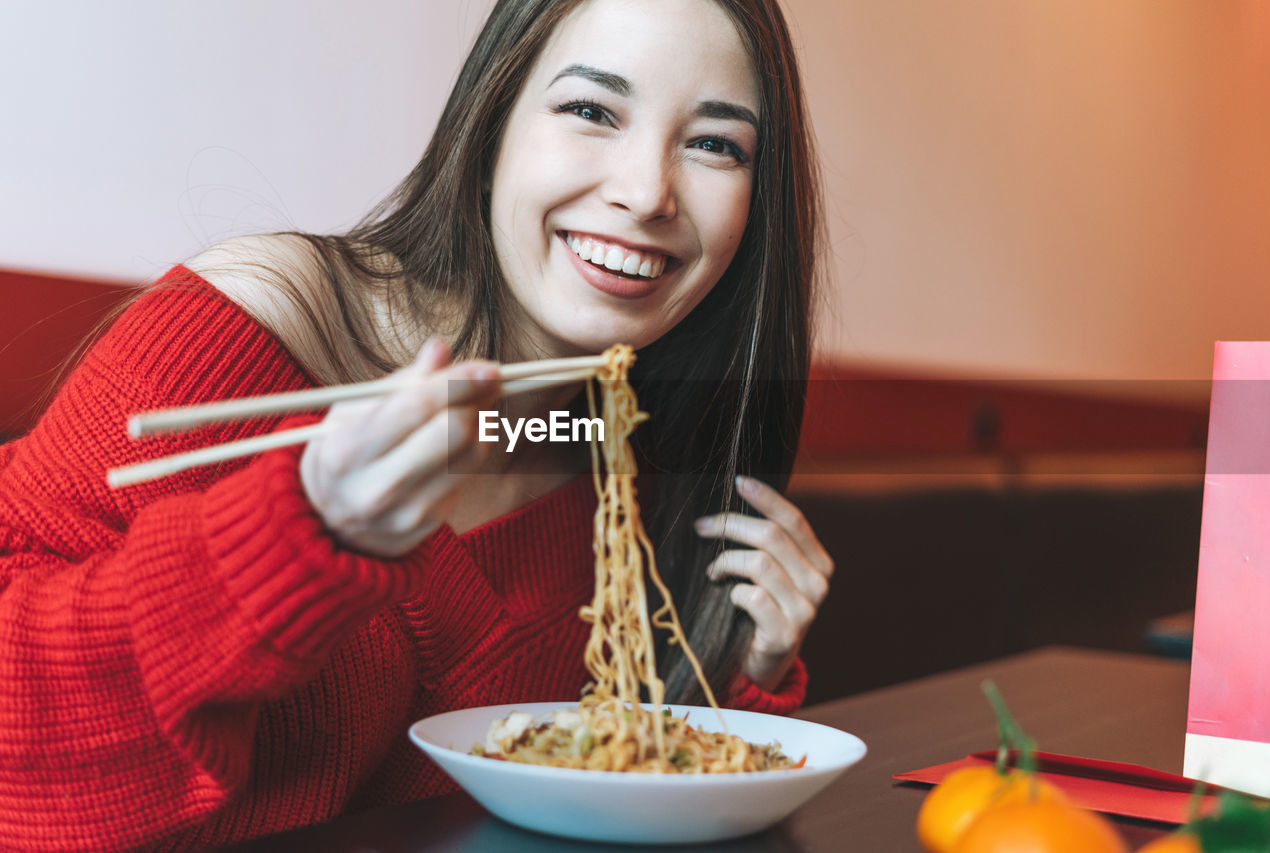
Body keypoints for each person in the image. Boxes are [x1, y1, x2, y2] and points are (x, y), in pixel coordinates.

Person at [0, 0, 833, 849]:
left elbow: (602, 793)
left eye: (715, 145)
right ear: (493, 118)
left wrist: (748, 672)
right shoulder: (274, 320)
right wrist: (298, 532)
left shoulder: (609, 458)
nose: (647, 192)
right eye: (591, 111)